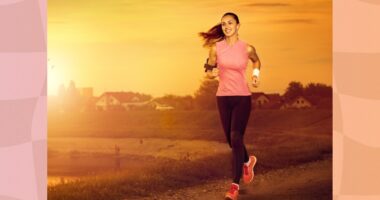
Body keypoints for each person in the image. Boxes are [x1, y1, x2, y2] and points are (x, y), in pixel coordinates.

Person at [199, 12, 261, 200]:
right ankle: (247, 161)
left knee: (236, 137)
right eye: (223, 24)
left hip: (242, 97)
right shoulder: (215, 49)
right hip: (223, 98)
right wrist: (212, 73)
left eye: (230, 23)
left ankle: (234, 186)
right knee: (231, 141)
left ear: (238, 26)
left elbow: (256, 61)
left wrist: (256, 74)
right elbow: (208, 70)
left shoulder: (247, 48)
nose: (226, 26)